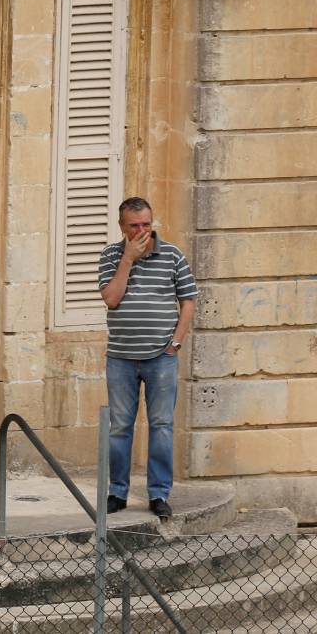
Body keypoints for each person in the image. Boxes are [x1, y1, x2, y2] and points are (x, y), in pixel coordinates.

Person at [99, 196, 197, 521]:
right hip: (121, 358)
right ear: (122, 227)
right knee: (119, 429)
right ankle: (117, 492)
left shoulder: (172, 255)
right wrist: (127, 259)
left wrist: (176, 342)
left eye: (146, 224)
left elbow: (189, 300)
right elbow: (111, 299)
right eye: (134, 226)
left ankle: (158, 495)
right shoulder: (111, 256)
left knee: (162, 427)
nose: (142, 231)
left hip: (161, 358)